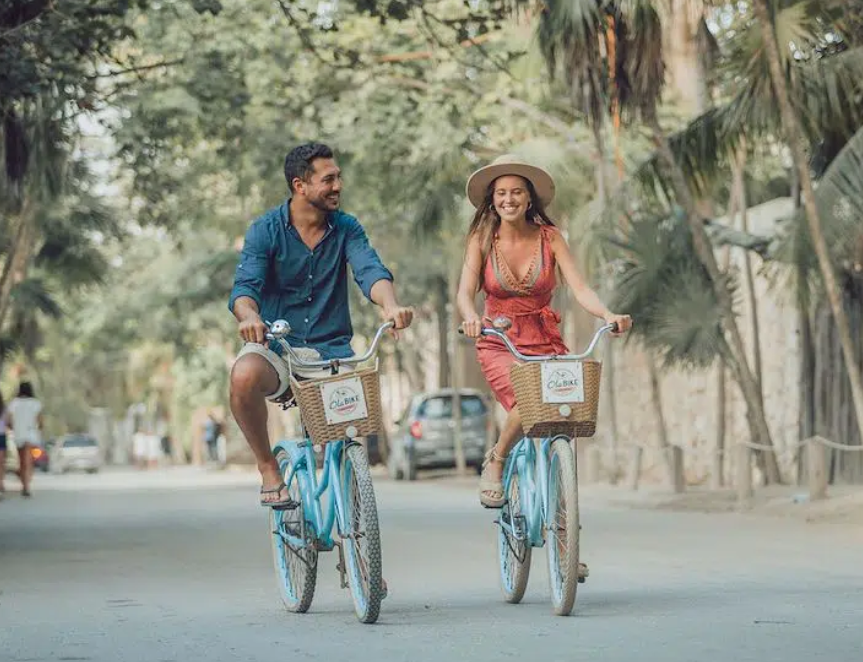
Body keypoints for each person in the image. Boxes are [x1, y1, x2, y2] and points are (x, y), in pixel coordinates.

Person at [457, 154, 632, 577]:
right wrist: (470, 317)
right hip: (498, 339)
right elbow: (464, 293)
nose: (509, 199)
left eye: (517, 192)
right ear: (491, 200)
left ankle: (566, 543)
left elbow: (581, 288)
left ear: (529, 197)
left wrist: (607, 314)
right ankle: (498, 458)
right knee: (529, 400)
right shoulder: (482, 239)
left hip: (545, 338)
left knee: (560, 428)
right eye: (501, 193)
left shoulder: (551, 238)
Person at [229, 142, 414, 507]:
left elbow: (369, 269)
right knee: (243, 375)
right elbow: (245, 289)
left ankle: (351, 517)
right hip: (280, 349)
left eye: (338, 177)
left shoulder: (346, 228)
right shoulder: (265, 230)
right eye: (328, 179)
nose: (337, 186)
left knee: (345, 435)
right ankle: (268, 467)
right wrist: (250, 317)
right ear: (300, 186)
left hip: (333, 354)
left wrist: (390, 305)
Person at [7, 381, 44, 498]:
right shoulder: (35, 403)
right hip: (31, 434)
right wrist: (39, 428)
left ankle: (24, 484)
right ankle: (26, 486)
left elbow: (9, 420)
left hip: (18, 434)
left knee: (22, 461)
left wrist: (13, 427)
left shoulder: (14, 403)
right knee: (28, 461)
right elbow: (40, 421)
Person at [0, 391, 8, 498]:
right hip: (1, 435)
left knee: (1, 463)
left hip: (1, 435)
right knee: (1, 463)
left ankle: (1, 484)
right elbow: (8, 422)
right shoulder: (4, 409)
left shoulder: (4, 409)